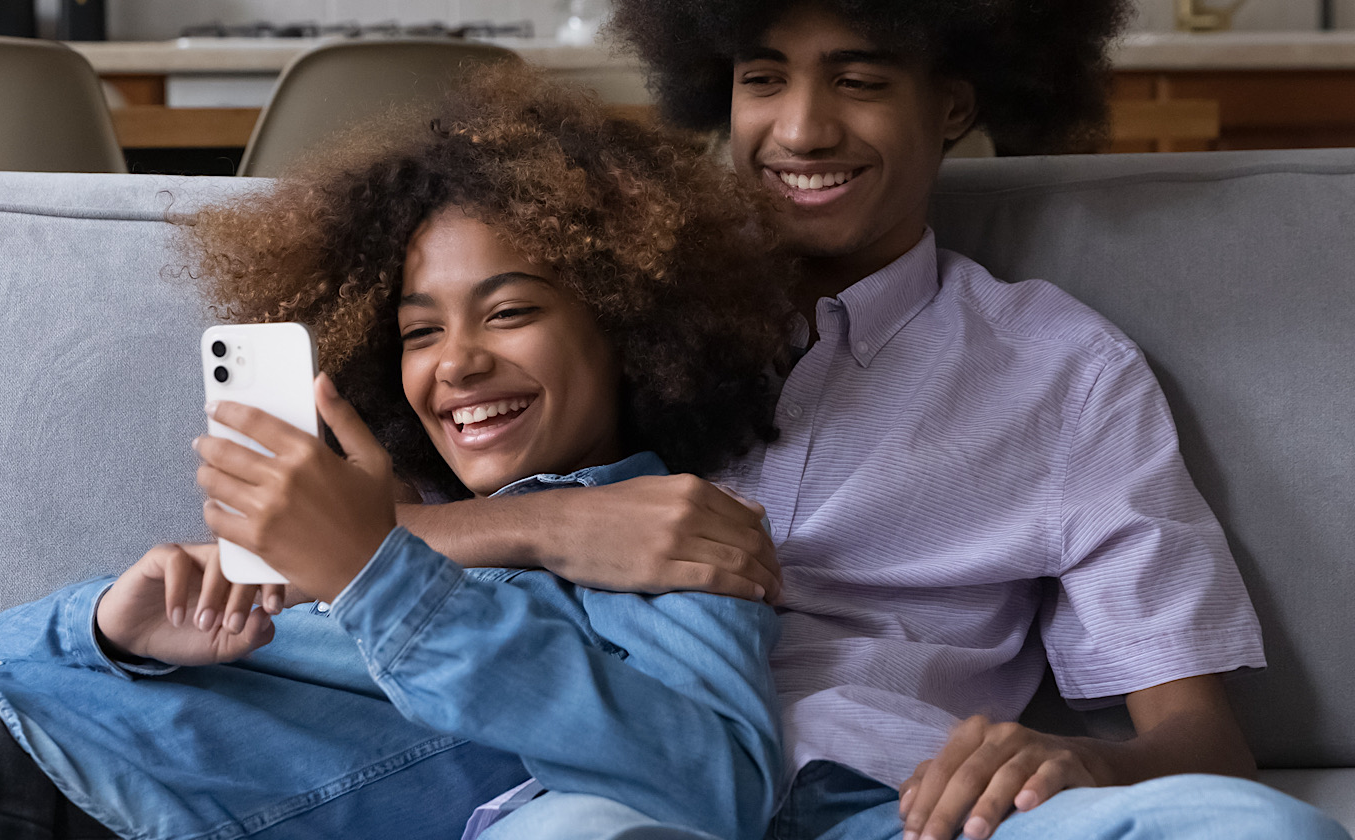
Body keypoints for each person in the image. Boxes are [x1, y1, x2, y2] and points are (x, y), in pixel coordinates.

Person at [387, 3, 1355, 840]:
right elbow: (353, 547)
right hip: (624, 789)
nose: (801, 129)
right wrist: (552, 524)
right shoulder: (602, 310)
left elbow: (1208, 744)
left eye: (858, 80)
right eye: (762, 78)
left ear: (953, 103)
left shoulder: (1064, 376)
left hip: (910, 808)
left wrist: (1077, 763)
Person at [0, 65, 791, 840]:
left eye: (508, 312)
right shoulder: (367, 501)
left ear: (627, 322)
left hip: (65, 796)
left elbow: (720, 788)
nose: (459, 364)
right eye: (420, 331)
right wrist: (110, 626)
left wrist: (379, 576)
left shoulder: (665, 537)